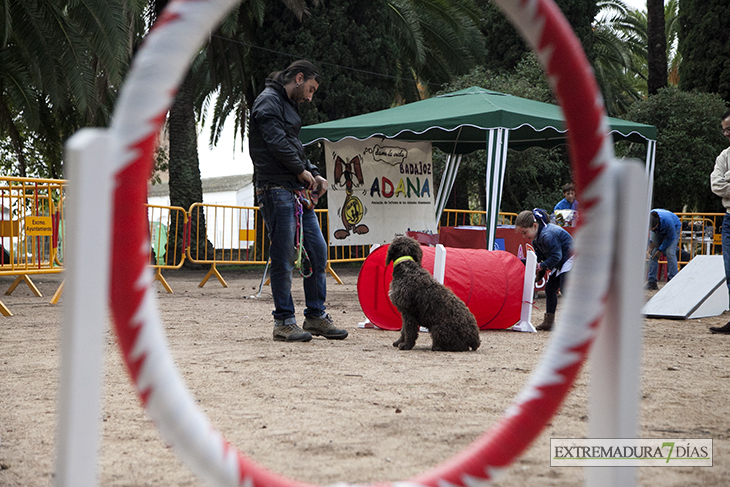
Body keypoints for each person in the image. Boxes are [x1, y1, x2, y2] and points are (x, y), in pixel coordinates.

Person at [249, 60, 347, 342]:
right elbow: (276, 142)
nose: (310, 96)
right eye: (311, 89)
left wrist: (314, 173)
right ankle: (283, 321)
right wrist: (301, 170)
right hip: (275, 189)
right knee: (283, 257)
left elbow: (291, 145)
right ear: (299, 77)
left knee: (316, 251)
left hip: (293, 190)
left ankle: (316, 317)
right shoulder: (268, 102)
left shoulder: (284, 104)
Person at [515, 209, 574, 331]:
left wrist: (540, 267)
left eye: (524, 232)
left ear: (535, 226)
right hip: (562, 261)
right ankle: (549, 322)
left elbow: (555, 257)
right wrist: (524, 263)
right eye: (521, 234)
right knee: (550, 288)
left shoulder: (548, 235)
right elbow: (540, 257)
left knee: (565, 289)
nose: (524, 236)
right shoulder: (536, 239)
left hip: (571, 258)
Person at [710, 109, 730, 334]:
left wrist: (727, 178)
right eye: (723, 130)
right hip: (728, 219)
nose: (726, 134)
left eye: (729, 129)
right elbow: (716, 186)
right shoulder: (723, 156)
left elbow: (723, 184)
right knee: (729, 270)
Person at [645, 209, 681, 290]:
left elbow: (671, 238)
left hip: (674, 228)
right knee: (653, 252)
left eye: (653, 228)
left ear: (657, 224)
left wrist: (660, 249)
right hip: (660, 229)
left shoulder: (668, 221)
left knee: (670, 253)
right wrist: (649, 243)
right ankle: (652, 282)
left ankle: (673, 279)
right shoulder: (645, 220)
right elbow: (640, 232)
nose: (651, 230)